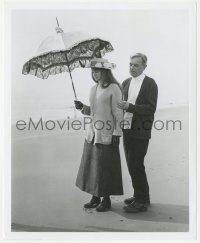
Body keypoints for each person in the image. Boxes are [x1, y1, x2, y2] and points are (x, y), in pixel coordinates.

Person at [74, 58, 124, 212]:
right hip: (93, 133)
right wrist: (83, 107)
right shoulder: (93, 89)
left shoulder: (114, 88)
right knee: (93, 166)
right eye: (93, 71)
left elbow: (118, 112)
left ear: (105, 71)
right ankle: (95, 197)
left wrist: (117, 133)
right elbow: (94, 111)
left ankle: (106, 199)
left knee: (106, 166)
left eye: (97, 70)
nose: (94, 73)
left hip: (107, 132)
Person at [118, 53, 158, 213]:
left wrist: (130, 106)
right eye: (130, 64)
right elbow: (121, 105)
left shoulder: (150, 83)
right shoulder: (126, 82)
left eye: (136, 65)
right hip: (126, 128)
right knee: (131, 164)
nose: (132, 67)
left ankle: (141, 202)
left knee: (136, 164)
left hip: (141, 130)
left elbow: (151, 108)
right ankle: (141, 196)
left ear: (144, 67)